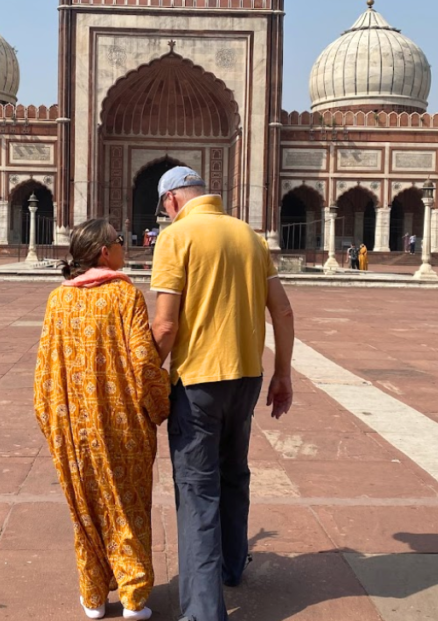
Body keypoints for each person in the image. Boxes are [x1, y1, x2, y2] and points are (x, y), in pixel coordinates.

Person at [150, 166, 295, 621]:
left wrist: (146, 375)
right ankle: (232, 566)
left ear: (172, 201)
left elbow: (167, 325)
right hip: (247, 378)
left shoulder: (177, 238)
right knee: (234, 474)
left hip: (198, 384)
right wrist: (283, 375)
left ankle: (203, 611)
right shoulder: (250, 236)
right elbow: (283, 311)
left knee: (197, 492)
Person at [34, 218, 171, 621]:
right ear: (104, 252)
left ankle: (93, 597)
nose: (124, 246)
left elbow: (43, 372)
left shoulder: (58, 300)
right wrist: (162, 406)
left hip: (71, 424)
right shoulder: (123, 295)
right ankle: (133, 598)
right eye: (118, 241)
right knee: (125, 507)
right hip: (120, 423)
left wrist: (51, 421)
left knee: (86, 509)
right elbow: (145, 361)